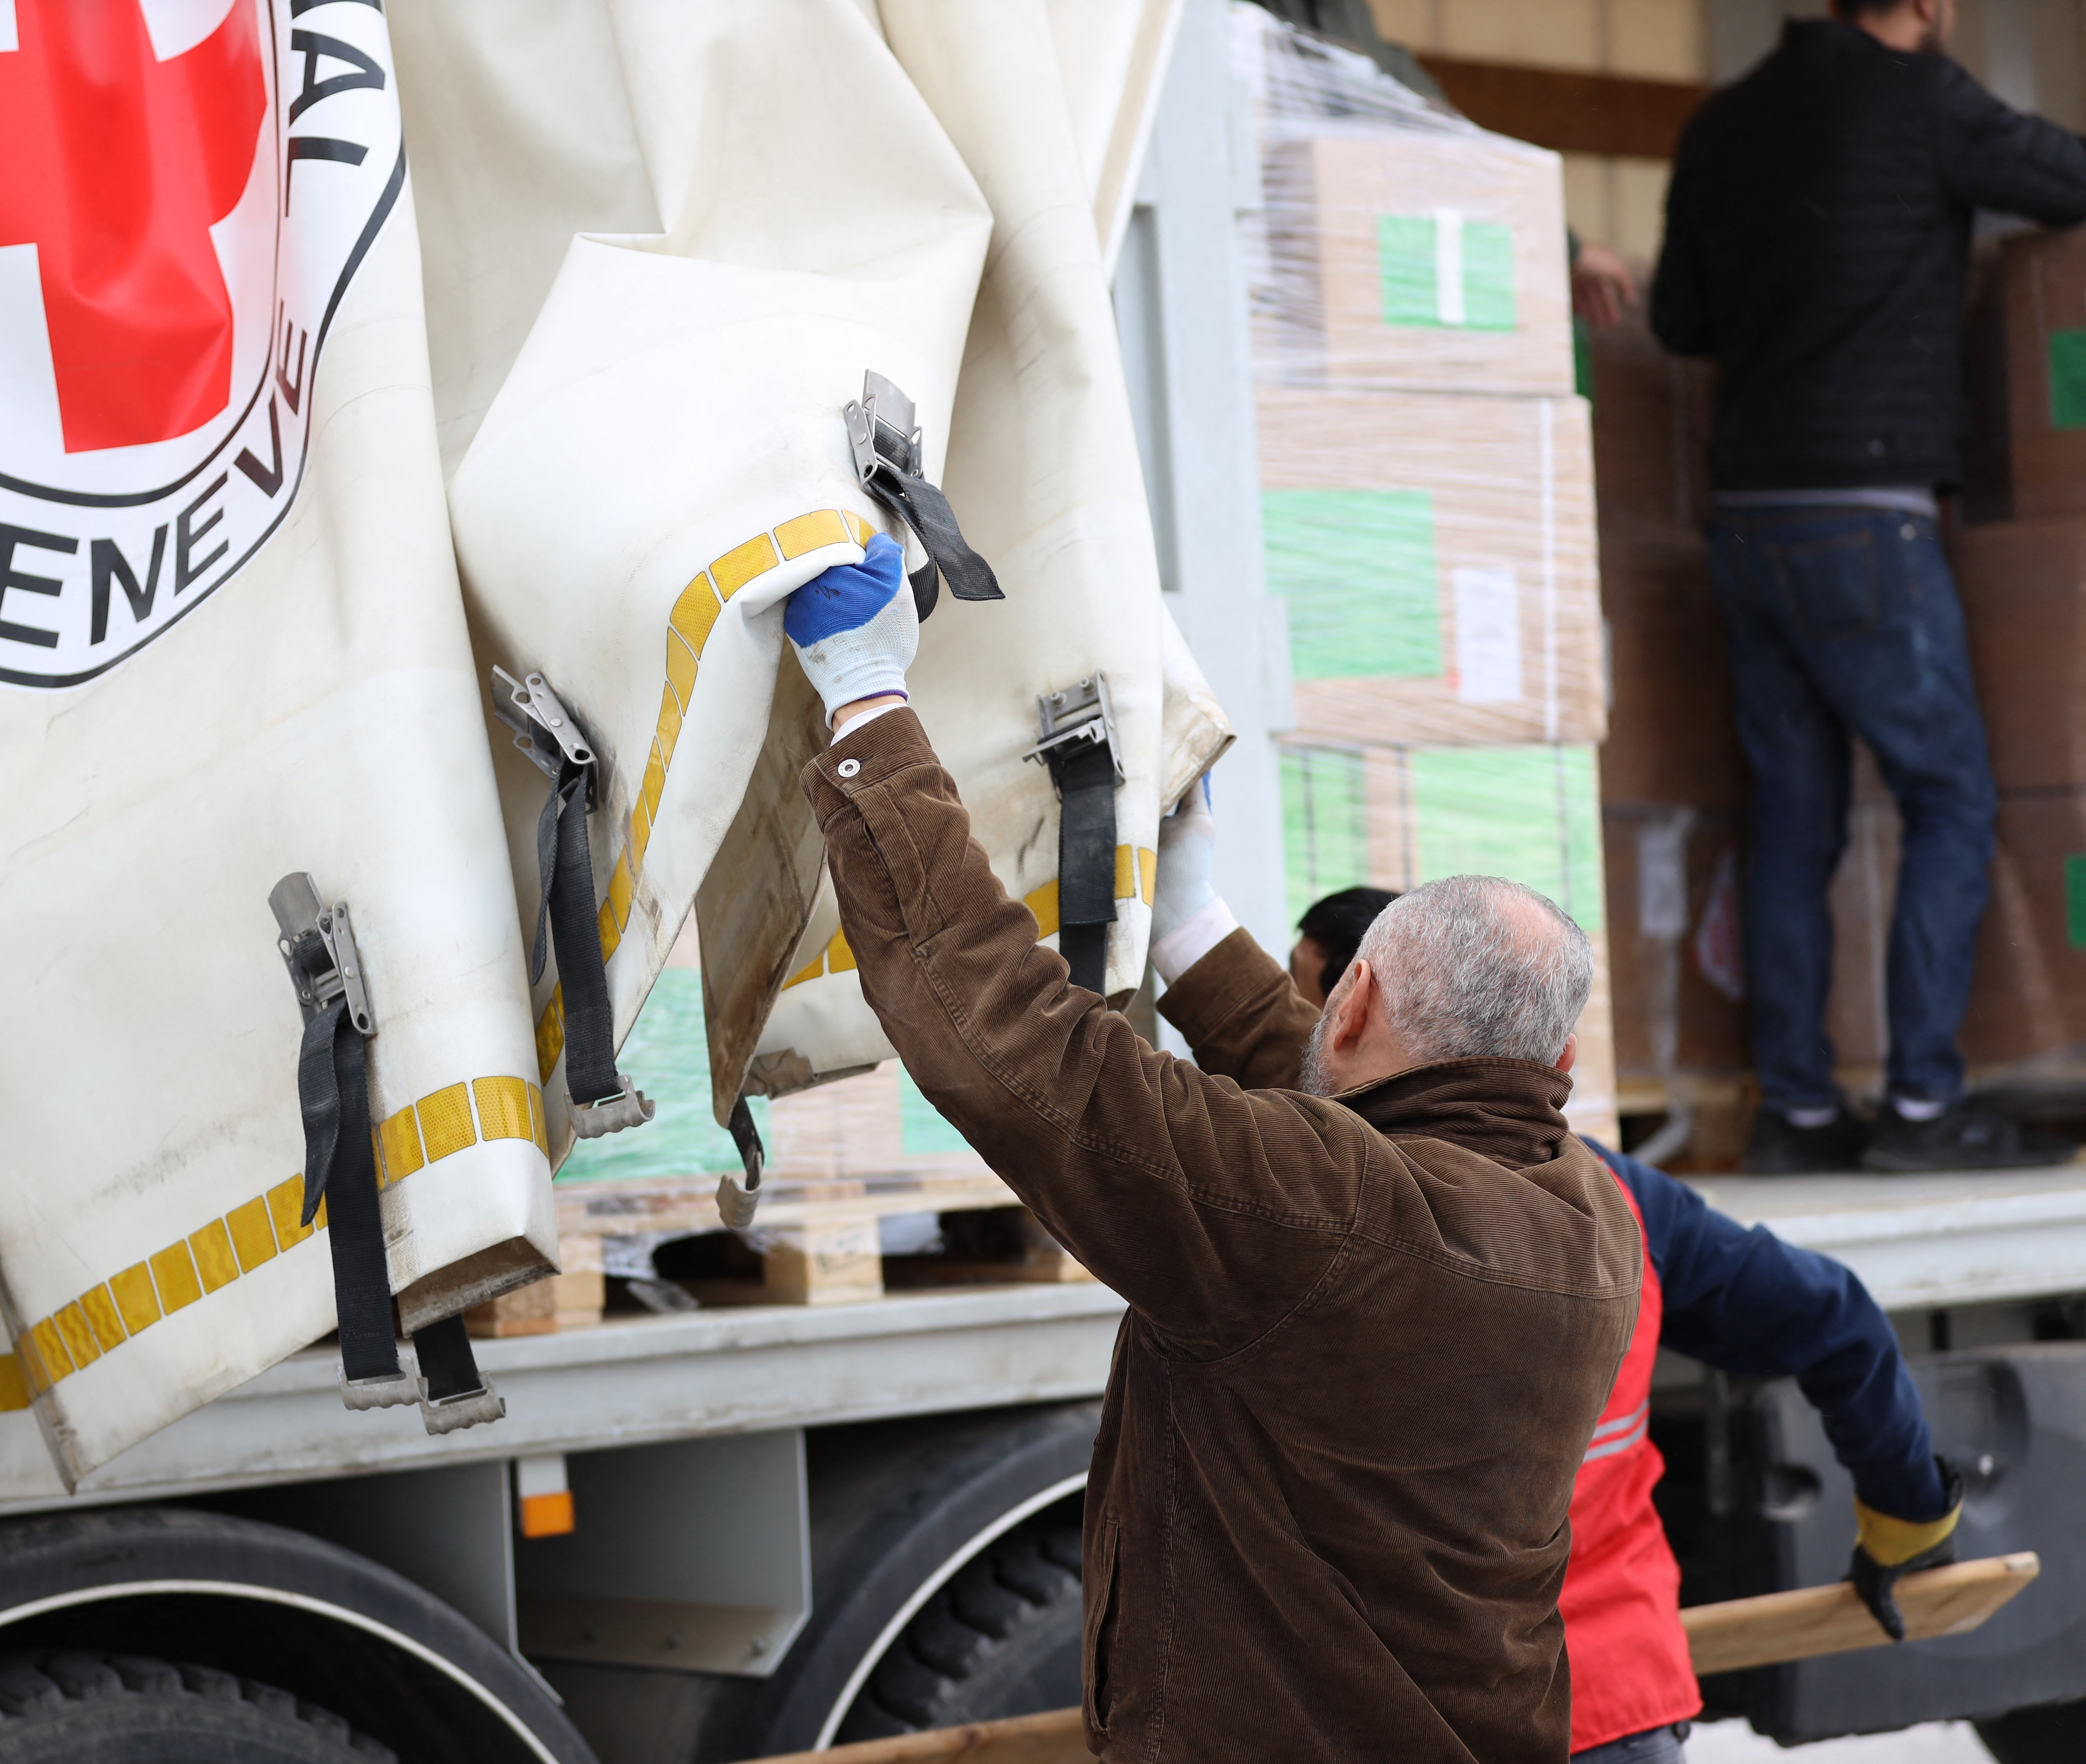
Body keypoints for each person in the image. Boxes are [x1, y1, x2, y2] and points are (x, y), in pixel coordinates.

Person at [780, 536, 1643, 1761]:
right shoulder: (1589, 1216)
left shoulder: (1340, 1222)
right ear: (1554, 1069)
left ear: (1350, 1006)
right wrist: (1192, 925)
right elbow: (1372, 1126)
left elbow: (1028, 1060)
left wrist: (870, 705)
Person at [1285, 886, 1966, 1762]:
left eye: (1307, 999)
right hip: (1617, 1700)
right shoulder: (1618, 1201)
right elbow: (1834, 1315)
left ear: (1354, 1013)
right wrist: (1907, 1524)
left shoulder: (1314, 1220)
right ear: (1556, 1051)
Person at [1654, 0, 2086, 1173]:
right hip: (1871, 519)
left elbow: (1678, 318)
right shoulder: (1925, 100)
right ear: (1931, 4)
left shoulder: (1724, 121)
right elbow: (2069, 178)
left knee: (1794, 821)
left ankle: (1797, 1113)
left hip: (1745, 527)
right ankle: (1923, 1106)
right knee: (1950, 799)